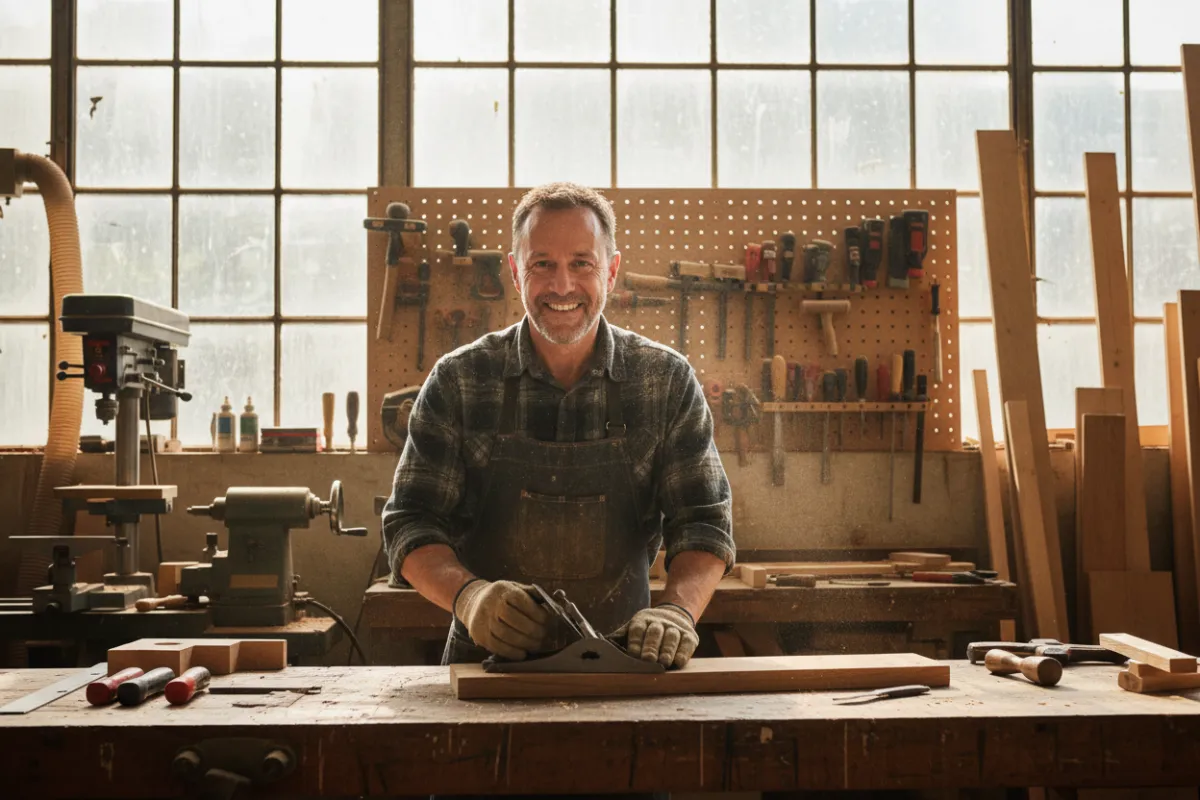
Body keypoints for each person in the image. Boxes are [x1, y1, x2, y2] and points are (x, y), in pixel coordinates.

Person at [382, 181, 734, 677]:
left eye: (582, 264)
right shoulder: (461, 380)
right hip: (483, 674)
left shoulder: (665, 381)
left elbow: (703, 521)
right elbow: (410, 522)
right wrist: (470, 597)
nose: (563, 286)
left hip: (626, 669)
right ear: (513, 271)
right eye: (541, 264)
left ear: (610, 270)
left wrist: (677, 612)